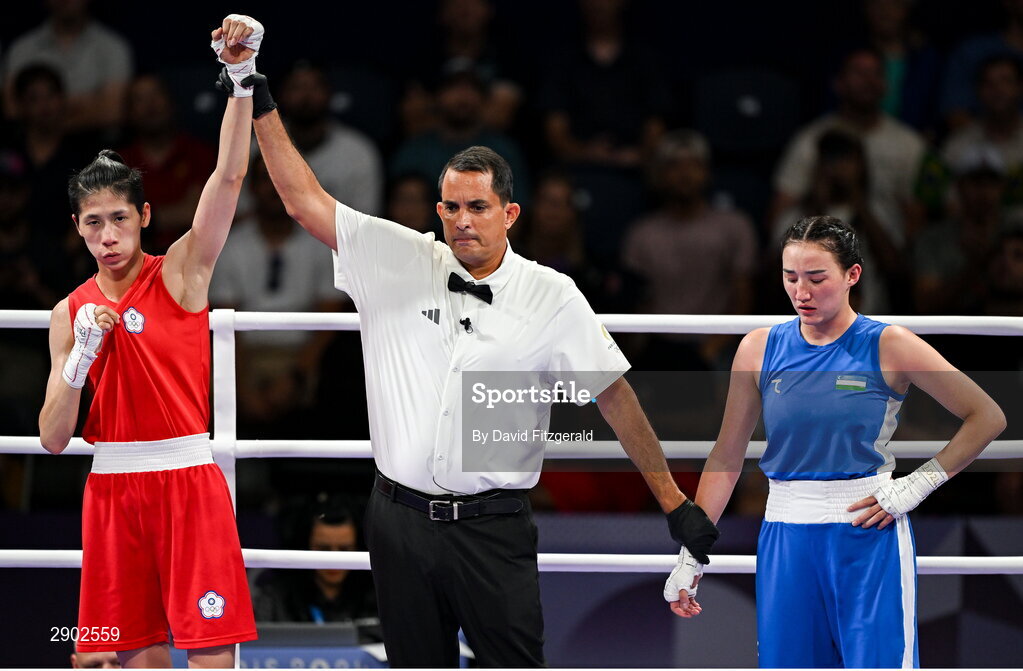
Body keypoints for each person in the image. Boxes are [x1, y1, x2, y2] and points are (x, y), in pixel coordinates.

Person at [242, 67, 718, 666]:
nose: (462, 219)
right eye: (451, 206)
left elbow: (614, 396)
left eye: (477, 206)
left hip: (493, 529)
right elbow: (301, 197)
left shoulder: (553, 293)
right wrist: (254, 94)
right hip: (398, 520)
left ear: (510, 213)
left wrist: (674, 503)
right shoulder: (397, 256)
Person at [667, 215, 1006, 668]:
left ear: (852, 275)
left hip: (868, 531)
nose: (801, 292)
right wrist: (693, 552)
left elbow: (987, 416)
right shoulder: (758, 348)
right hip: (785, 533)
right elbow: (727, 454)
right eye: (790, 278)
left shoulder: (890, 344)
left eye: (816, 278)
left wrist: (917, 484)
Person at [36, 14, 263, 668]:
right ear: (76, 228)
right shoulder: (68, 312)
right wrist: (80, 357)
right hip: (112, 490)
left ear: (142, 216)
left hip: (189, 480)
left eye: (117, 218)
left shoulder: (184, 272)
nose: (107, 234)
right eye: (92, 223)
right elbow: (53, 437)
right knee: (118, 658)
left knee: (212, 651)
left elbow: (226, 178)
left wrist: (240, 80)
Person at [252, 494, 378, 632]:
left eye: (344, 549)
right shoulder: (275, 600)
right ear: (306, 545)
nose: (334, 559)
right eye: (324, 549)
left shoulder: (379, 598)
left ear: (357, 547)